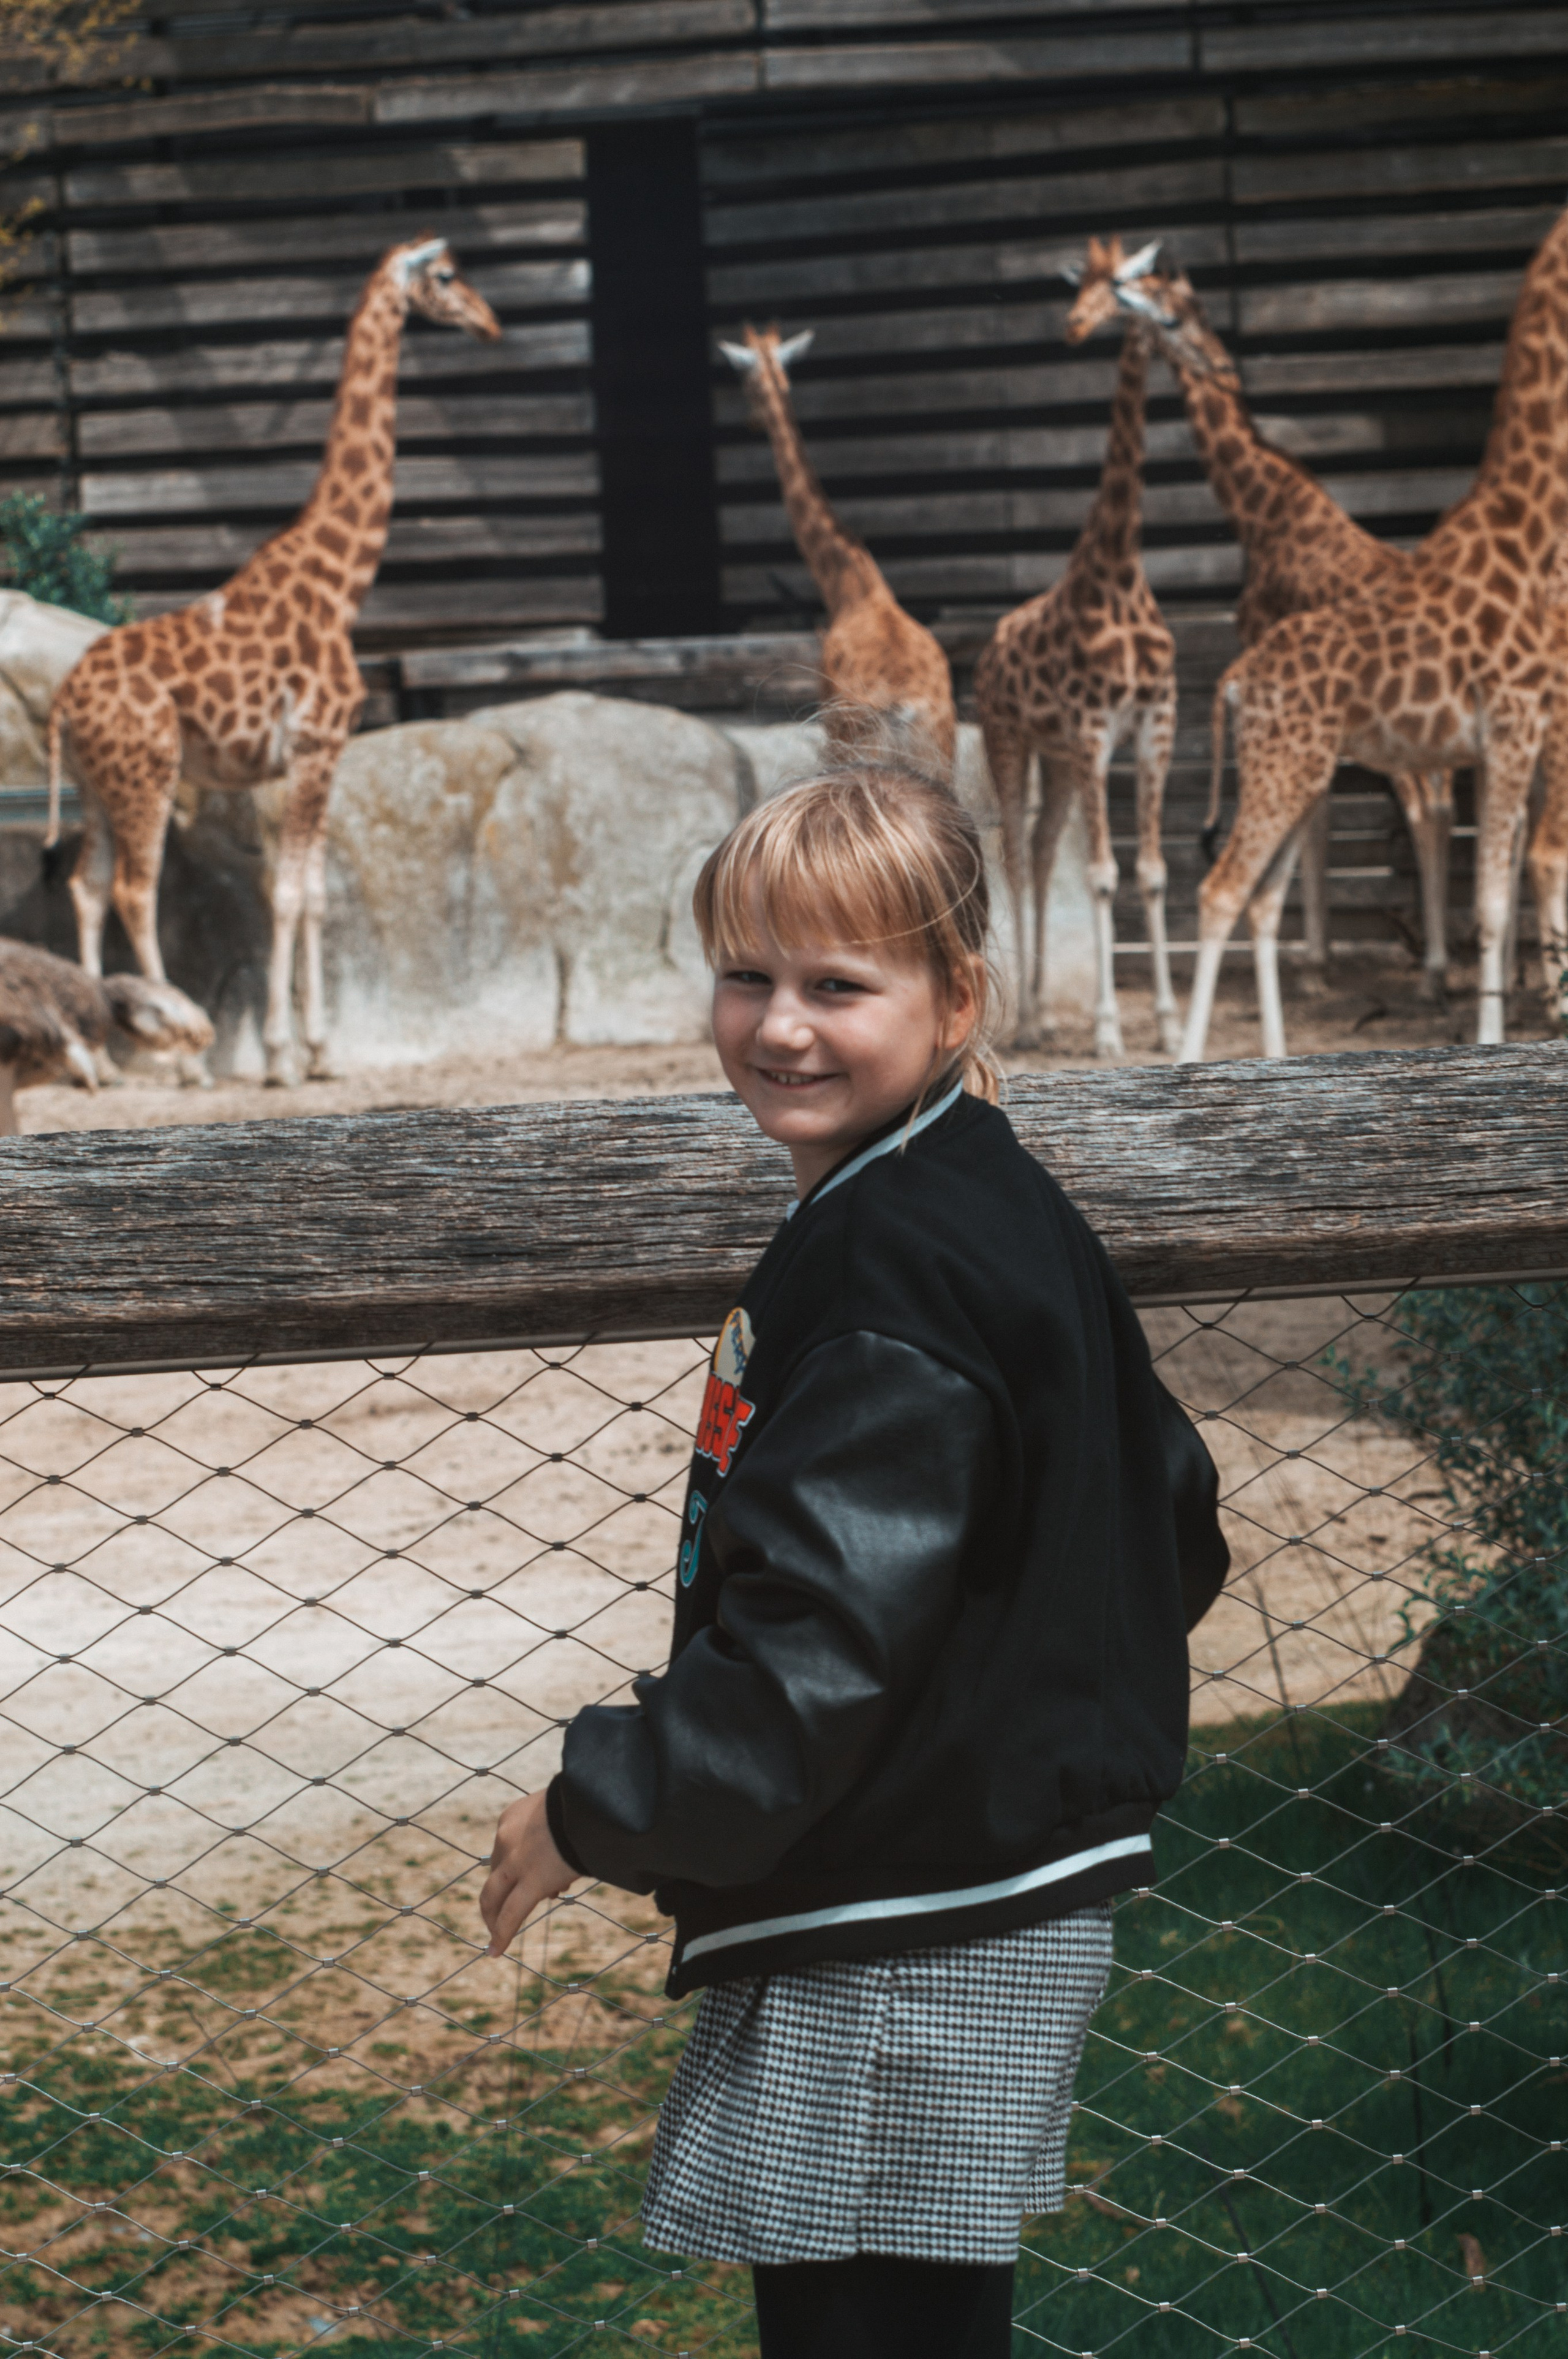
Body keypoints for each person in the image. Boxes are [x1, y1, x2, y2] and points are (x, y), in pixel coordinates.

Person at [480, 751, 1229, 2359]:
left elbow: (813, 1661)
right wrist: (1012, 1681)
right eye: (744, 975)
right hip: (989, 1884)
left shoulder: (894, 1262)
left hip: (906, 1914)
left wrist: (589, 1804)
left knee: (861, 2331)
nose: (780, 1024)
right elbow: (1172, 1510)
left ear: (953, 999)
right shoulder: (984, 1203)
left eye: (838, 981)